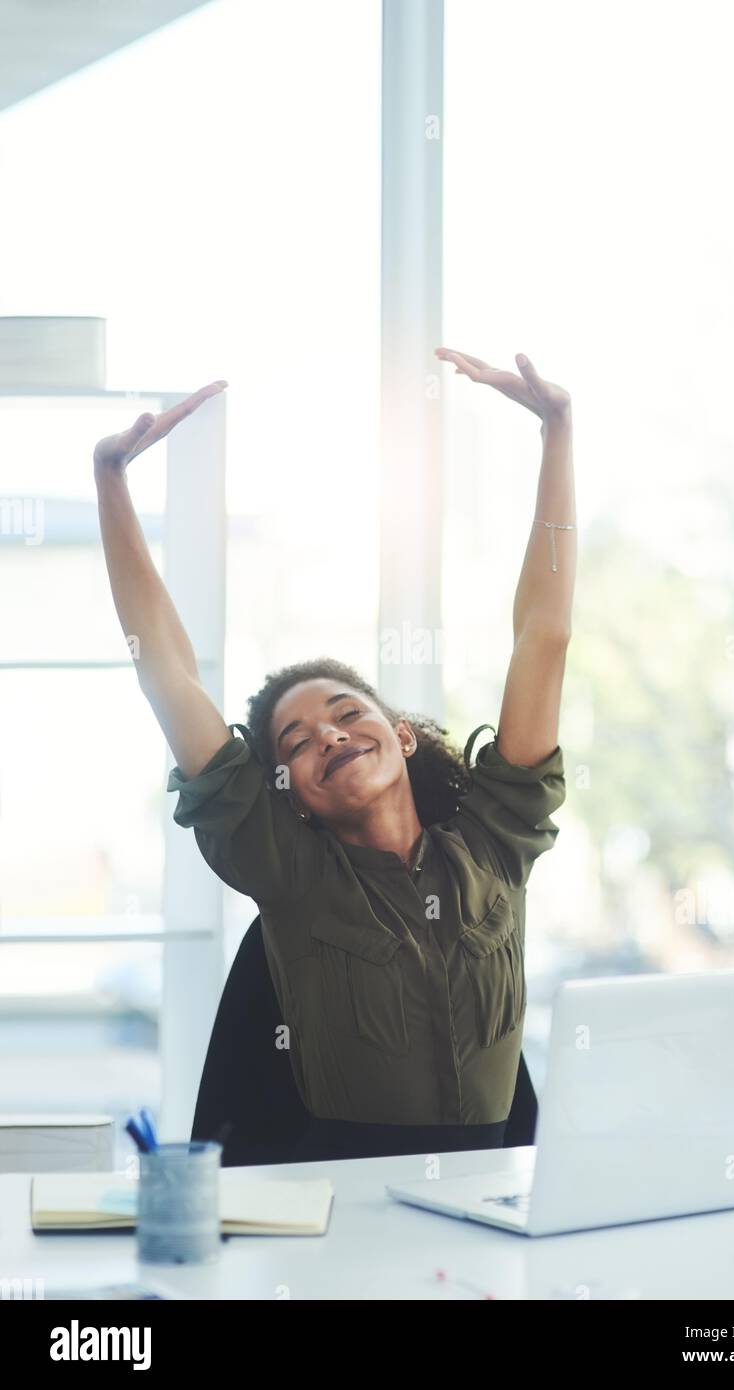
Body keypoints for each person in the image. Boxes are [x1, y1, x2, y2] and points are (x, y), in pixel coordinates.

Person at [93, 349, 576, 1160]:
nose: (328, 736)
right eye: (297, 742)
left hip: (495, 1193)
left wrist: (557, 435)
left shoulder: (497, 838)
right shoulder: (290, 874)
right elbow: (164, 669)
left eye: (347, 712)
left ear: (402, 734)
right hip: (343, 1204)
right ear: (289, 793)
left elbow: (545, 636)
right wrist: (111, 484)